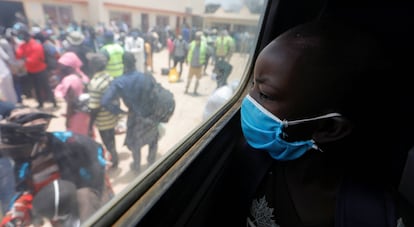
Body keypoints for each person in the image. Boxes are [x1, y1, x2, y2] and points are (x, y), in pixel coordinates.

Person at [240, 20, 412, 226]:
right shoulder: (251, 162)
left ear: (329, 127)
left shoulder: (381, 217)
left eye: (265, 95)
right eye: (252, 85)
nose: (248, 101)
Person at [0, 108, 113, 226]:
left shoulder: (70, 143)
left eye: (17, 150)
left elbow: (99, 158)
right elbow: (28, 194)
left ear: (34, 142)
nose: (14, 156)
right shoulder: (24, 166)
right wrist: (16, 216)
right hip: (60, 215)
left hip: (90, 203)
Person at [101, 52, 160, 172]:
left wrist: (120, 111)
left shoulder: (119, 81)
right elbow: (157, 93)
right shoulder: (146, 76)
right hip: (150, 113)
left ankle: (137, 166)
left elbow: (105, 101)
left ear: (124, 64)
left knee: (135, 143)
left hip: (134, 115)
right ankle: (151, 162)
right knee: (153, 138)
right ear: (135, 62)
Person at [87, 52, 119, 169]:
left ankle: (114, 161)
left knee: (108, 142)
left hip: (103, 119)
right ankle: (114, 158)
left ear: (94, 66)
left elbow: (94, 107)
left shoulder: (95, 83)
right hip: (111, 116)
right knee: (111, 139)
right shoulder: (110, 77)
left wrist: (89, 125)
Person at [14, 23, 57, 109]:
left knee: (46, 87)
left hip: (41, 70)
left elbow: (33, 60)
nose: (21, 38)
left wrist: (25, 58)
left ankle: (54, 103)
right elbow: (18, 55)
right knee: (36, 88)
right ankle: (40, 104)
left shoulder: (36, 45)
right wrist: (25, 57)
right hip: (31, 71)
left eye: (21, 36)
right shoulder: (23, 45)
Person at [54, 52, 90, 136]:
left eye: (62, 66)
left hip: (75, 114)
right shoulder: (83, 77)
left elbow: (71, 101)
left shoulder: (69, 80)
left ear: (68, 67)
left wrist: (68, 119)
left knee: (75, 138)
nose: (60, 68)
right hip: (86, 112)